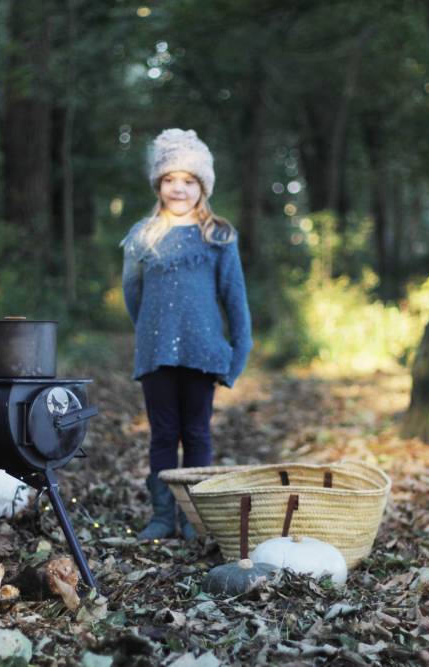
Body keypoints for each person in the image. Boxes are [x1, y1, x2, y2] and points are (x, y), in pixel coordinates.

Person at [121, 128, 252, 540]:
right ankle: (162, 516)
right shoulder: (143, 236)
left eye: (188, 181)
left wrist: (238, 352)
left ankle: (196, 518)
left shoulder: (218, 237)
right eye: (170, 179)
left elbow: (235, 299)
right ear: (159, 185)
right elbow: (133, 295)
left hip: (203, 353)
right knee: (162, 434)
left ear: (202, 187)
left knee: (196, 433)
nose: (178, 188)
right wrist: (154, 332)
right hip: (156, 353)